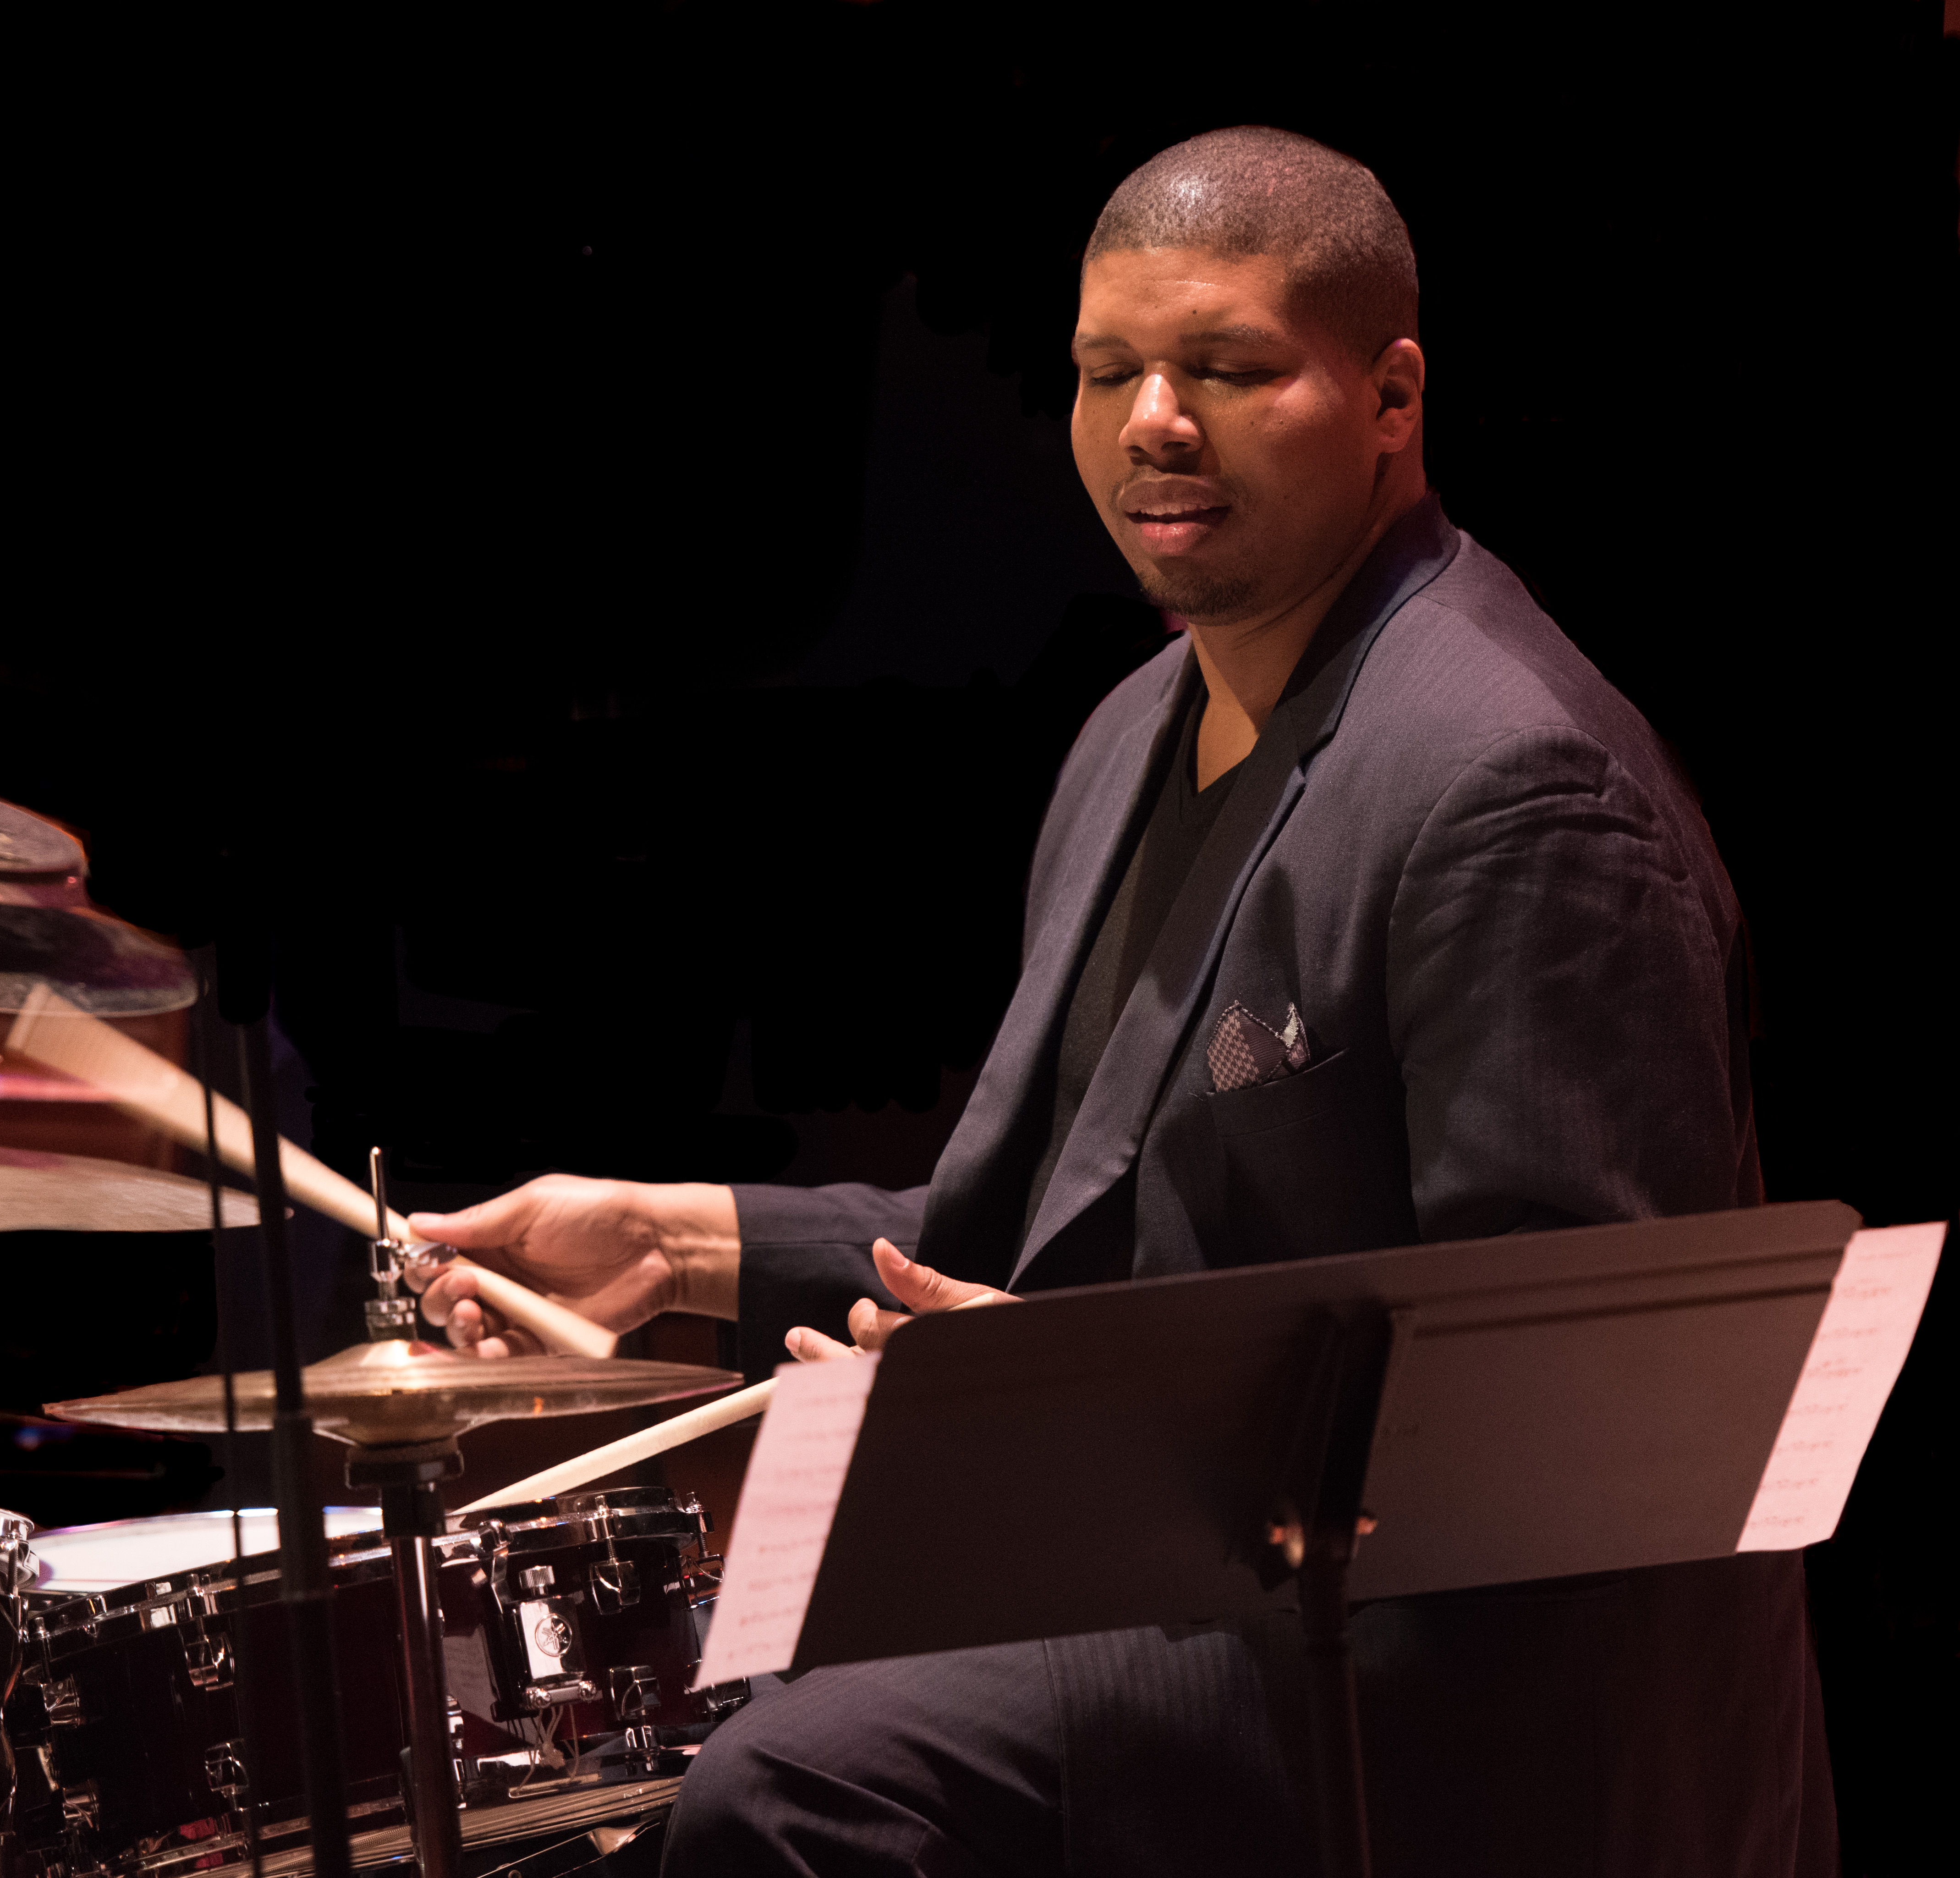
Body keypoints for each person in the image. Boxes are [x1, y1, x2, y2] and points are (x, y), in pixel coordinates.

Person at [409, 127, 1836, 1877]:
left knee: (799, 1785)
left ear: (1392, 399)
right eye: (1109, 371)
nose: (1155, 419)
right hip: (1198, 1597)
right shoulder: (1128, 735)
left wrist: (1090, 1403)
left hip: (1455, 1696)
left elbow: (1576, 1420)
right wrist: (678, 1247)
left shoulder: (1515, 789)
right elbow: (1037, 1238)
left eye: (1228, 368)